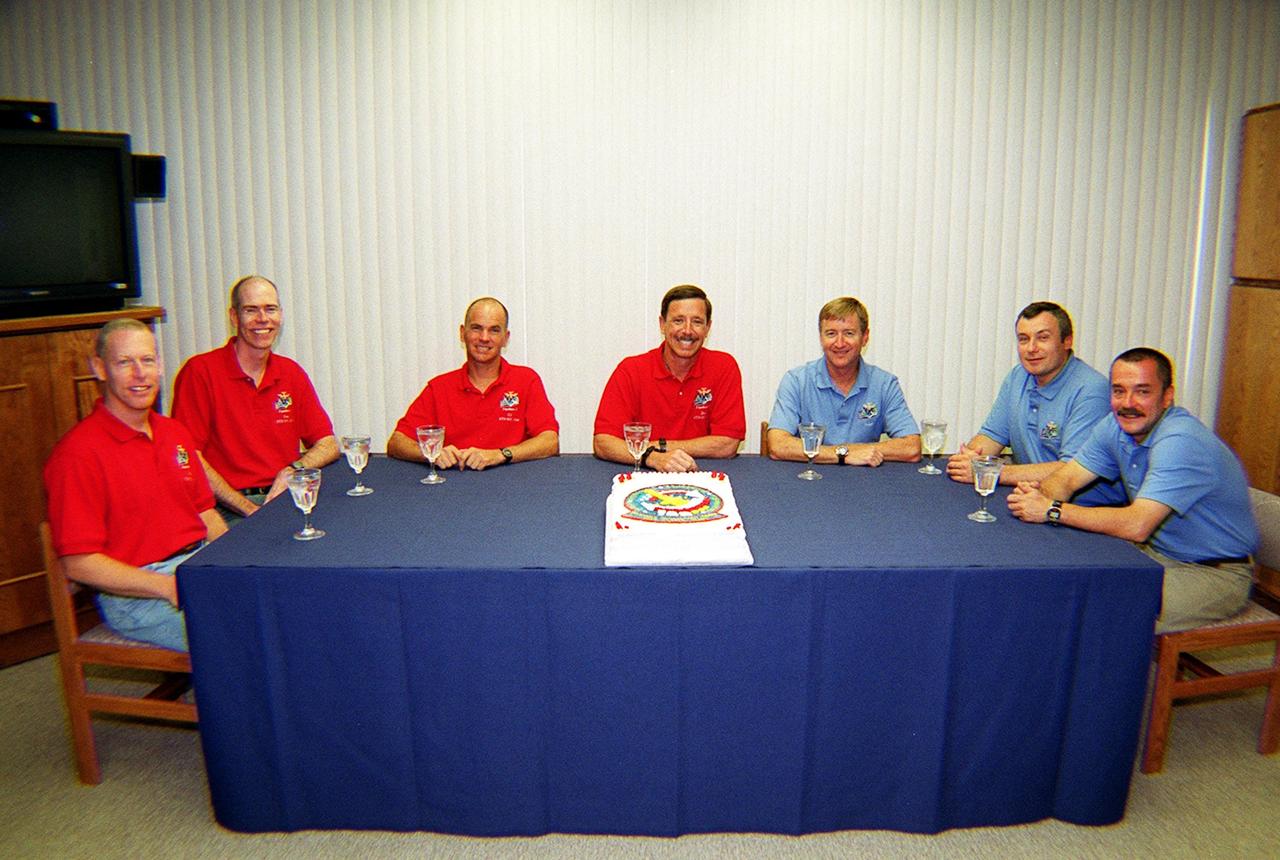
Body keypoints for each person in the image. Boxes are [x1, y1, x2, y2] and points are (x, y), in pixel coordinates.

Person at [1008, 348, 1259, 632]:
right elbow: (1067, 479)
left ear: (1167, 396)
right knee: (1064, 581)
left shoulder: (1180, 441)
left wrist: (1051, 510)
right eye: (1118, 391)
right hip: (1155, 554)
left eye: (1142, 392)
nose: (1128, 403)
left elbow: (1136, 525)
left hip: (1214, 574)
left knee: (1100, 609)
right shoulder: (1115, 426)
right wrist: (1041, 496)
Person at [43, 319, 228, 651]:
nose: (140, 373)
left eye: (147, 360)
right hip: (140, 596)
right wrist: (165, 586)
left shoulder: (174, 433)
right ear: (99, 368)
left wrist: (241, 564)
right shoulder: (77, 454)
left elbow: (205, 513)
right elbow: (78, 562)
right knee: (243, 635)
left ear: (159, 366)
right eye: (124, 362)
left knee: (285, 609)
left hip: (198, 567)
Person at [171, 275, 338, 520]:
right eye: (251, 310)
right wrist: (248, 509)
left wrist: (294, 469)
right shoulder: (200, 372)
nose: (263, 319)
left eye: (270, 309)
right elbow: (189, 458)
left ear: (280, 315)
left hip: (284, 497)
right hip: (227, 507)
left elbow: (328, 443)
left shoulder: (290, 373)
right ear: (234, 317)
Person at [947, 301, 1119, 500]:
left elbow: (1069, 471)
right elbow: (991, 437)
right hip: (1028, 498)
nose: (1031, 348)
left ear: (1067, 341)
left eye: (1043, 338)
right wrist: (968, 460)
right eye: (1023, 339)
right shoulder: (1018, 377)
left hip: (1078, 511)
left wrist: (991, 472)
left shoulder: (1091, 390)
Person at [386, 297, 559, 469]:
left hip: (512, 486)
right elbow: (397, 442)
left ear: (505, 338)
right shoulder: (439, 387)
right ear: (462, 333)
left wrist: (500, 454)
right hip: (453, 486)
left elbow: (550, 441)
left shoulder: (526, 380)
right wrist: (430, 453)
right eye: (477, 328)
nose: (484, 338)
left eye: (494, 330)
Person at [593, 284, 745, 472]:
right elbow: (603, 442)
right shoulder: (630, 370)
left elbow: (727, 444)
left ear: (708, 328)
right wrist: (653, 458)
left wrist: (658, 447)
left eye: (697, 322)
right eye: (678, 321)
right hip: (643, 474)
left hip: (702, 474)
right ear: (662, 324)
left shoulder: (724, 367)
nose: (687, 331)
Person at [765, 297, 921, 466]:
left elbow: (911, 448)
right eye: (831, 334)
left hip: (864, 482)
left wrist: (858, 452)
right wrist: (844, 454)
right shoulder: (796, 381)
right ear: (821, 338)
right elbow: (778, 445)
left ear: (865, 337)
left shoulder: (884, 384)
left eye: (849, 333)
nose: (839, 343)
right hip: (808, 481)